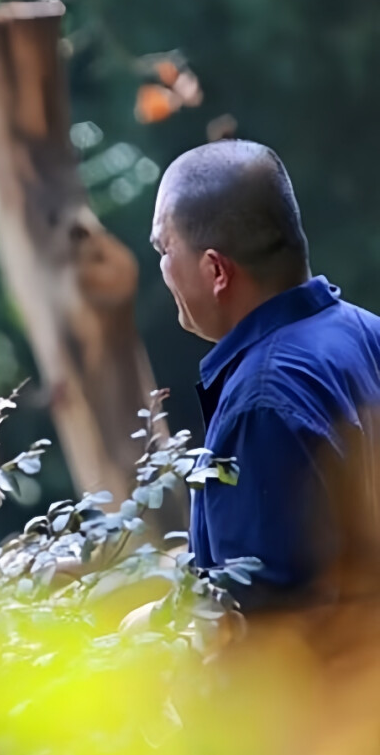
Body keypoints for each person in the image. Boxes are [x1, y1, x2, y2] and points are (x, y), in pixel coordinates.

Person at [151, 140, 380, 612]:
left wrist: (151, 630)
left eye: (164, 248)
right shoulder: (368, 333)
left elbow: (263, 627)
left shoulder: (262, 403)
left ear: (216, 270)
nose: (163, 269)